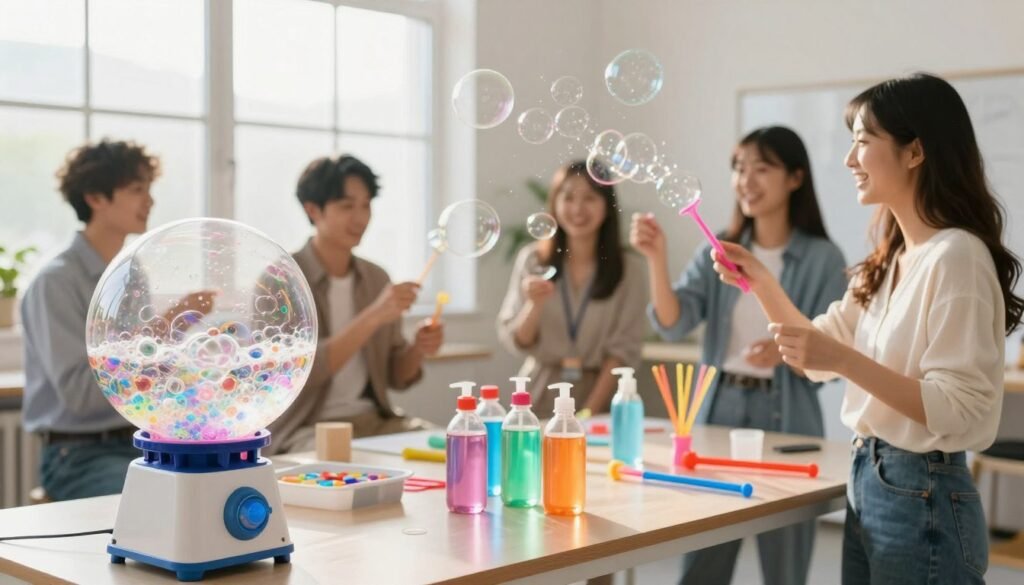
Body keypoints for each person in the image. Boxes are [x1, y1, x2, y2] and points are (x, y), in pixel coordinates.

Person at [712, 73, 1022, 585]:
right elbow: (814, 356)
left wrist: (843, 361)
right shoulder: (893, 257)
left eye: (862, 142)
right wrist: (762, 280)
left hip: (922, 491)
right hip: (871, 480)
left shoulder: (956, 257)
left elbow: (957, 409)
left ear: (915, 151)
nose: (849, 160)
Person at [630, 126, 847, 585]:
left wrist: (786, 349)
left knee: (785, 561)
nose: (746, 179)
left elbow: (831, 358)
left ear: (794, 178)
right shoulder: (720, 250)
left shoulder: (824, 259)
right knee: (703, 558)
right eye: (738, 168)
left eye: (761, 168)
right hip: (718, 410)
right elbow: (672, 324)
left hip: (788, 417)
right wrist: (655, 257)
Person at [21, 139, 194, 500]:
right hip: (79, 455)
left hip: (138, 440)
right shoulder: (56, 282)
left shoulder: (132, 275)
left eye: (149, 188)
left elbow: (143, 365)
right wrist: (161, 333)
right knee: (163, 500)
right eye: (136, 189)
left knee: (214, 485)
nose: (149, 200)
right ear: (95, 198)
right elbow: (81, 395)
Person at [269, 154, 443, 453]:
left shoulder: (376, 278)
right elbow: (298, 373)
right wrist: (374, 315)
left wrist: (417, 349)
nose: (360, 218)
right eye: (347, 206)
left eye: (366, 205)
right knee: (341, 465)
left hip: (373, 423)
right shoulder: (282, 281)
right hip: (305, 428)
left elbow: (396, 378)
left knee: (455, 448)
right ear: (313, 210)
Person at [498, 160, 647, 416]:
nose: (578, 208)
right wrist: (534, 305)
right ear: (554, 203)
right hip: (540, 392)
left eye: (590, 198)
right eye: (568, 197)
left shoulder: (629, 269)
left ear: (607, 206)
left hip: (599, 398)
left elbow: (623, 352)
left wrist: (588, 412)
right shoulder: (533, 260)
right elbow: (518, 340)